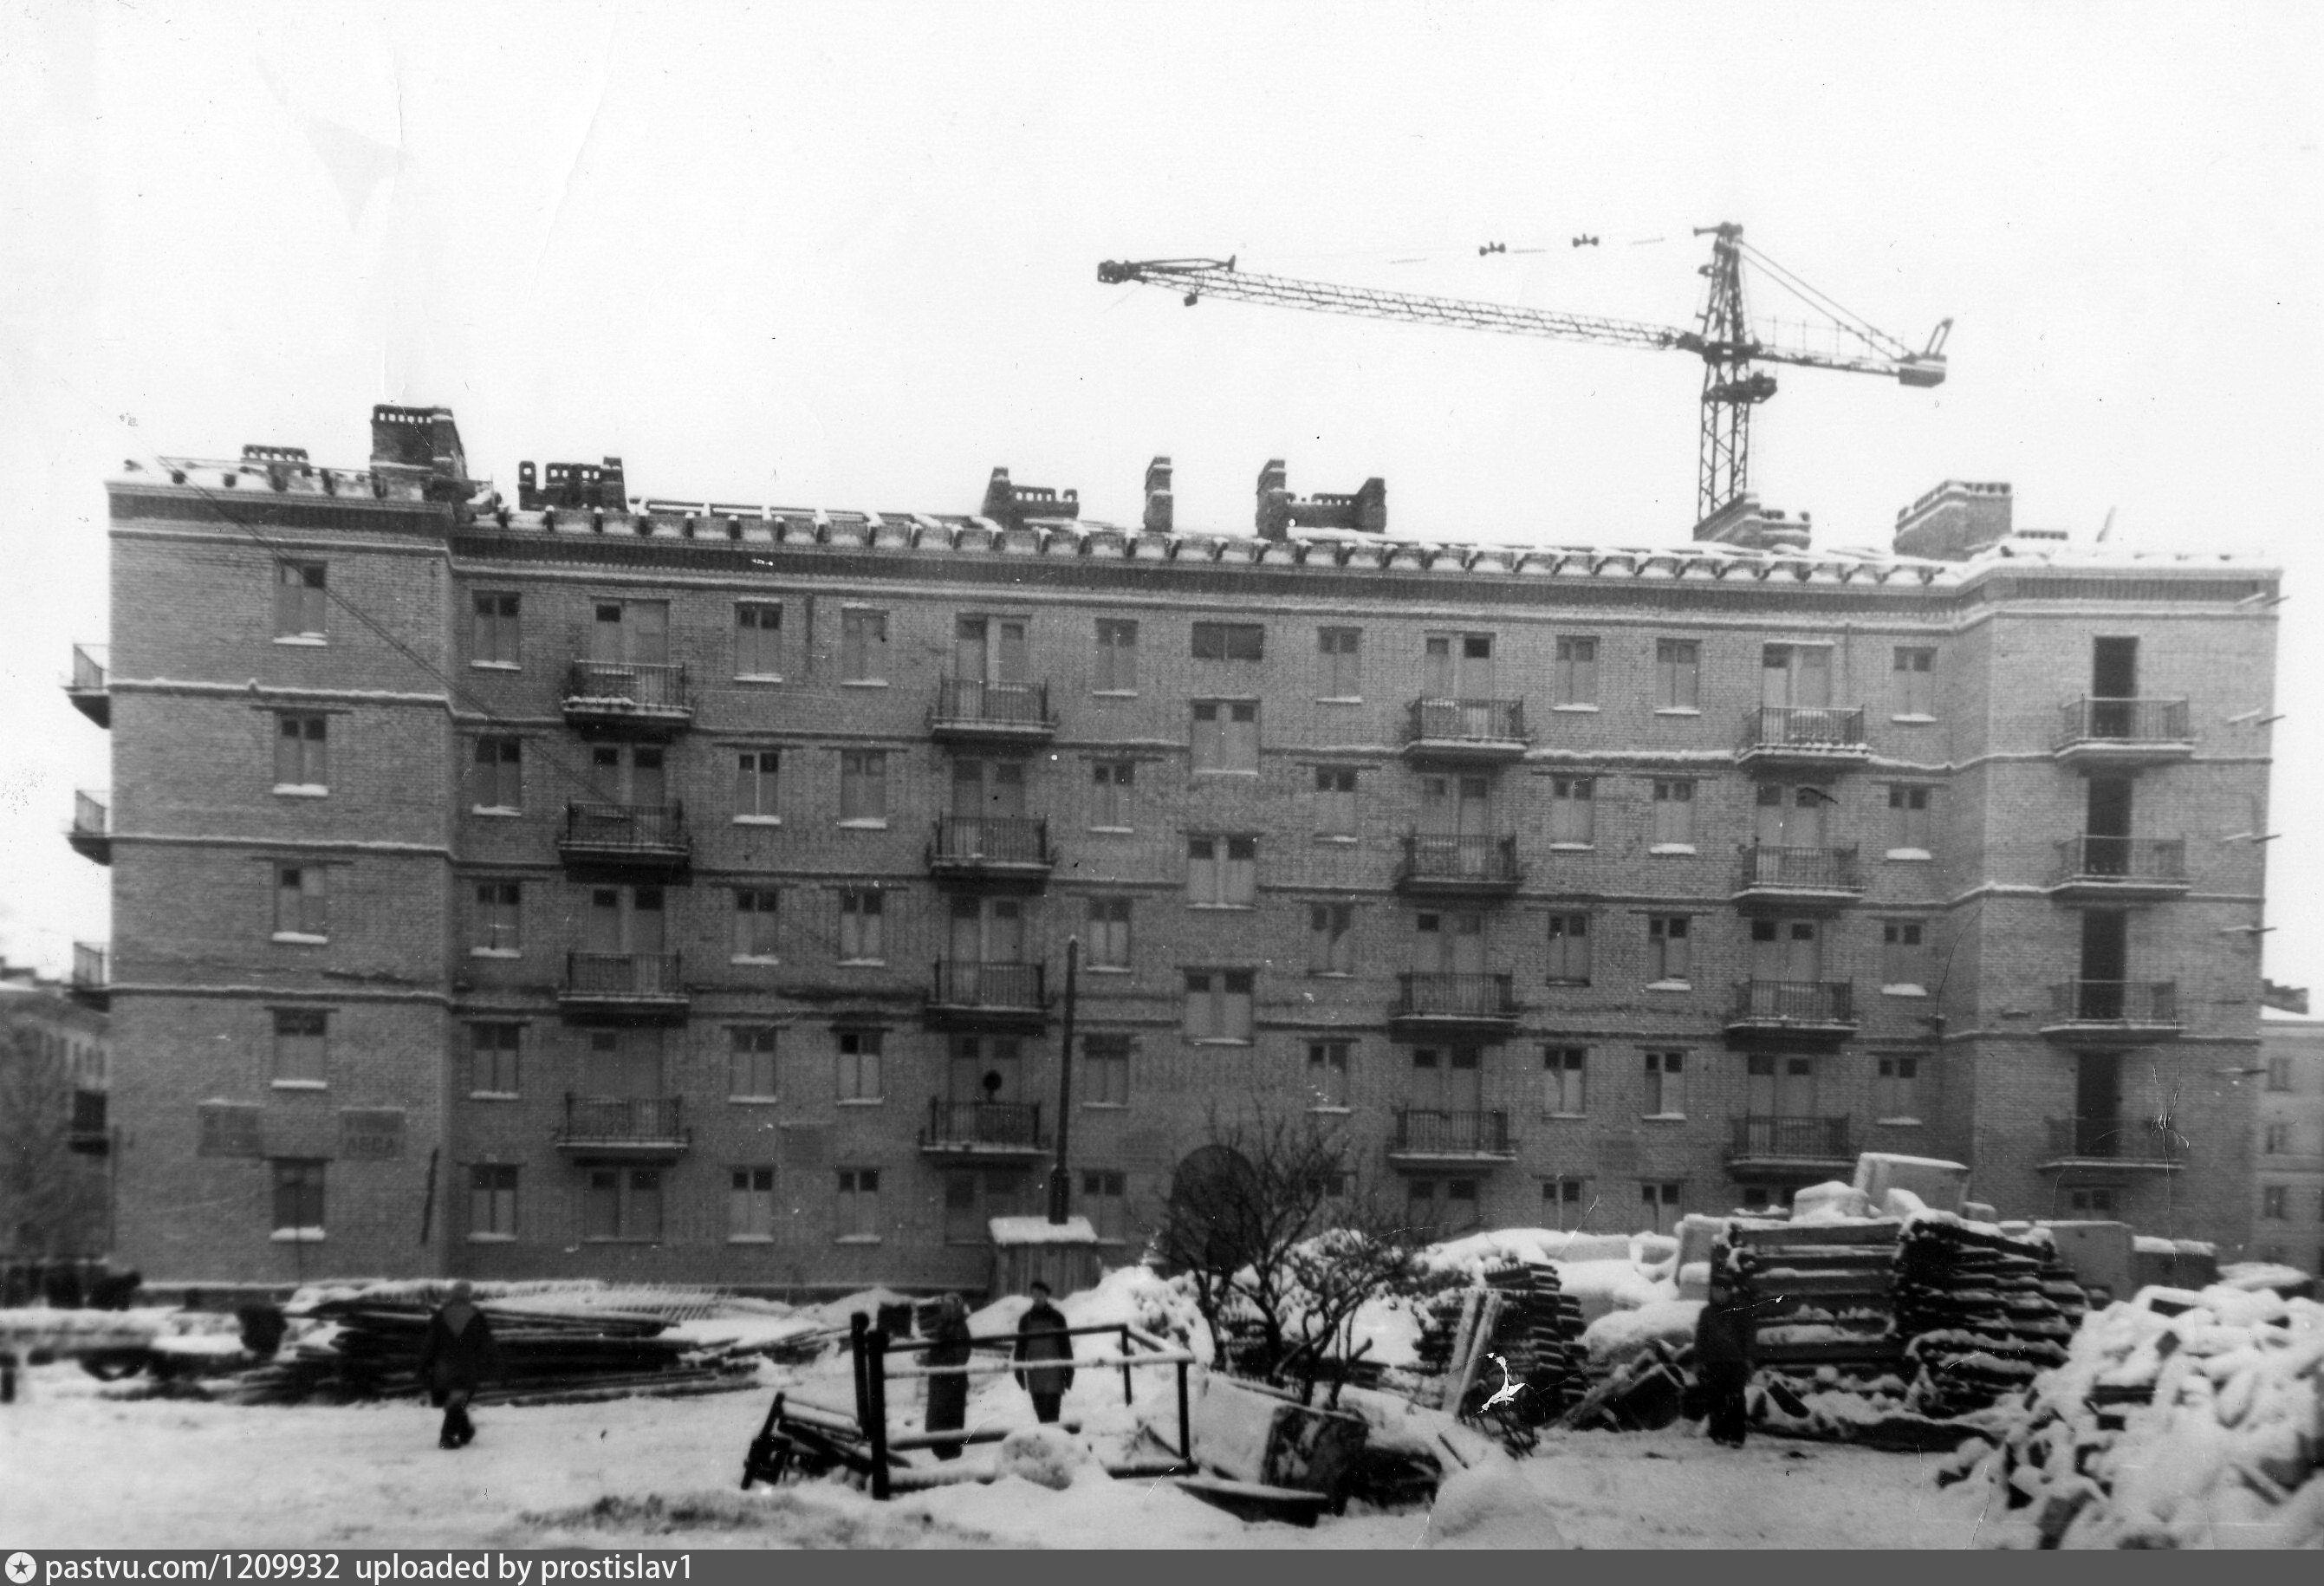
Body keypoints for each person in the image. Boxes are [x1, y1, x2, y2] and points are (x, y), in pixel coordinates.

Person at [417, 1280, 500, 1450]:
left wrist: (423, 1366)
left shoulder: (441, 1314)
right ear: (468, 1294)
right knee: (457, 1400)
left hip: (444, 1365)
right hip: (466, 1365)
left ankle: (465, 1431)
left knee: (454, 1400)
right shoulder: (476, 1315)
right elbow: (486, 1343)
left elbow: (430, 1343)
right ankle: (447, 1438)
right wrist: (492, 1363)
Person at [1692, 1283, 1757, 1447]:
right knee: (1716, 1399)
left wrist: (1748, 1358)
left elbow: (1749, 1335)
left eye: (1722, 1290)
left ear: (1728, 1292)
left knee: (1736, 1399)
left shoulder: (1739, 1311)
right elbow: (1700, 1338)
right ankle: (1718, 1434)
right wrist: (1698, 1361)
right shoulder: (1707, 1313)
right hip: (1713, 1363)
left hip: (1736, 1362)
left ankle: (1737, 1437)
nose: (1718, 1294)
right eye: (1715, 1291)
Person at [1011, 1279, 1075, 1425]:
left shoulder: (1057, 1318)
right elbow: (1020, 1347)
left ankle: (1052, 1437)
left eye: (1041, 1294)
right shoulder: (1025, 1320)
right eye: (1034, 1294)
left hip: (1054, 1373)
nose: (1037, 1297)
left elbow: (1065, 1346)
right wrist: (1019, 1371)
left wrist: (1069, 1372)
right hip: (1035, 1372)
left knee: (1052, 1413)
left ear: (1047, 1296)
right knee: (1040, 1413)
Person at [923, 1293, 974, 1459]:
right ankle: (941, 1449)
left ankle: (949, 1452)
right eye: (944, 1306)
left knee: (948, 1418)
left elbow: (960, 1356)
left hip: (951, 1381)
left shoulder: (960, 1328)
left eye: (949, 1307)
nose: (946, 1310)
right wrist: (929, 1357)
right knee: (938, 1418)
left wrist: (935, 1358)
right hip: (940, 1380)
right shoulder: (942, 1326)